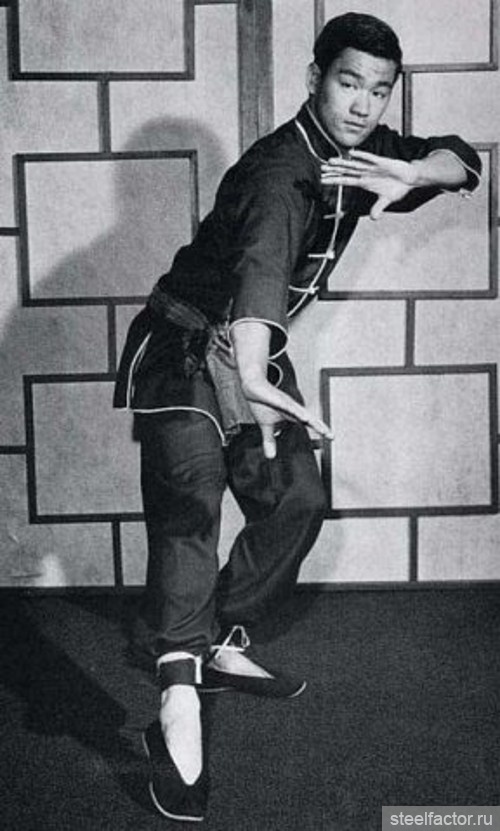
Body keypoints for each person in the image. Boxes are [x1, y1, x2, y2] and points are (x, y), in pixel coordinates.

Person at [114, 12, 481, 822]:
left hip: (251, 355)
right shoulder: (279, 170)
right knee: (191, 503)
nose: (363, 104)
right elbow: (262, 265)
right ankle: (176, 701)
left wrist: (417, 173)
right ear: (315, 78)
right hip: (188, 343)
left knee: (298, 500)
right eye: (348, 83)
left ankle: (207, 632)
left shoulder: (366, 151)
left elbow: (463, 158)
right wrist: (250, 369)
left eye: (379, 90)